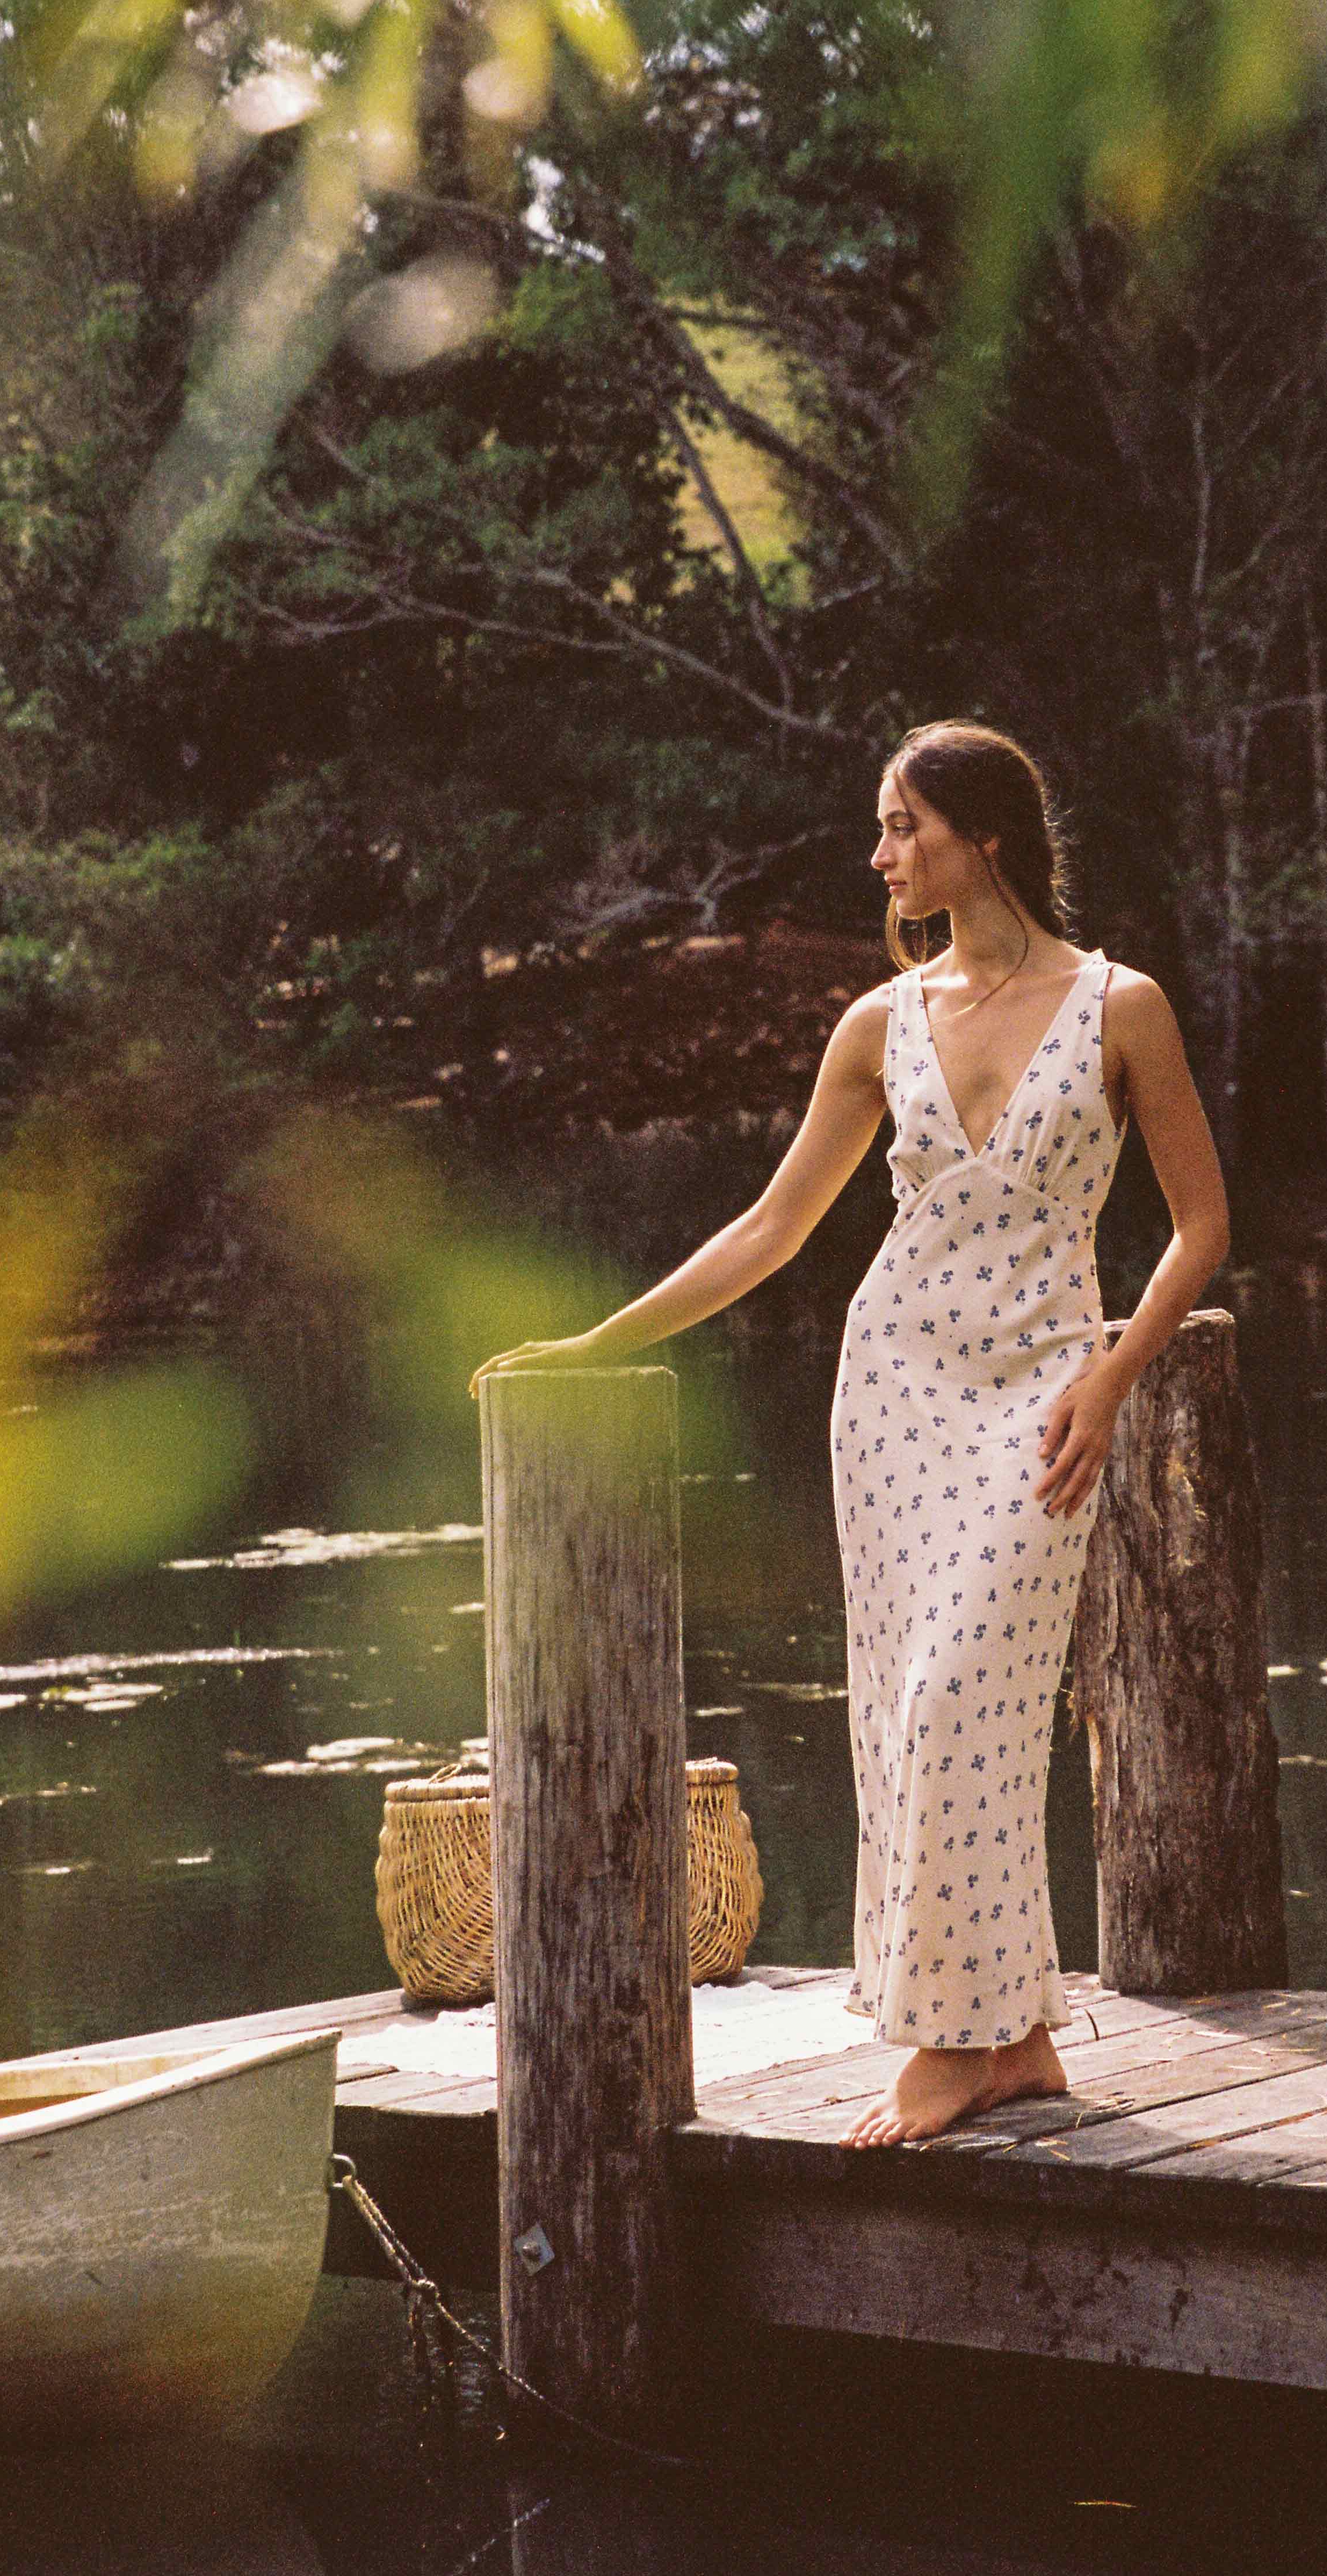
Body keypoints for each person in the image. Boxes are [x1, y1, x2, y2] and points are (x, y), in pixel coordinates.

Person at [472, 721, 1230, 2144]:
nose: (880, 855)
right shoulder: (878, 1024)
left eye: (901, 825)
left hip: (1046, 1389)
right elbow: (769, 1228)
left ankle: (953, 2039)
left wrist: (1116, 1373)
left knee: (963, 1700)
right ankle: (1003, 2035)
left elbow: (1203, 1225)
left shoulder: (1123, 1004)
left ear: (982, 834)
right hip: (895, 1393)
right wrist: (595, 1340)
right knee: (914, 1712)